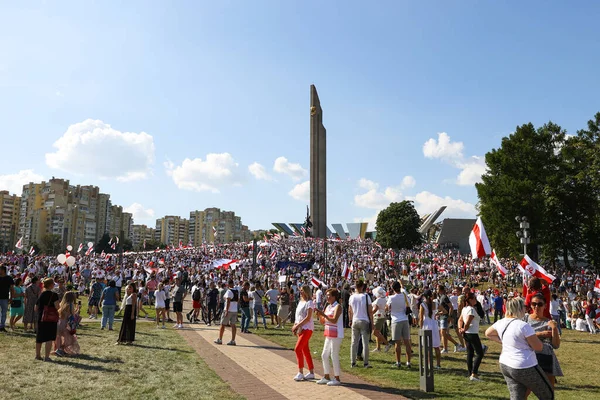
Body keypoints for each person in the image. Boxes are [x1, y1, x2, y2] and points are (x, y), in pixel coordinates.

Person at [485, 298, 554, 400]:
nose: (525, 310)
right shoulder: (523, 326)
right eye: (524, 307)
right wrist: (538, 336)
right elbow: (538, 347)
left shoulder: (501, 322)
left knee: (517, 396)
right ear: (519, 308)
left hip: (505, 363)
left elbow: (488, 333)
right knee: (547, 395)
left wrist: (504, 341)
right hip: (524, 364)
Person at [524, 293, 563, 395]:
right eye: (534, 304)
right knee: (525, 391)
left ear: (545, 306)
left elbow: (556, 345)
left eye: (540, 304)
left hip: (546, 357)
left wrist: (554, 328)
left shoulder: (549, 322)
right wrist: (539, 334)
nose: (536, 307)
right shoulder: (525, 320)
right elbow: (520, 338)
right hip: (529, 356)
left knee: (548, 392)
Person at [314, 288, 344, 386]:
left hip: (336, 334)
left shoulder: (338, 307)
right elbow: (323, 321)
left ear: (334, 297)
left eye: (329, 296)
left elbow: (334, 320)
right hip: (328, 333)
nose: (327, 297)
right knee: (324, 355)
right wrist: (320, 316)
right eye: (326, 295)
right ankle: (326, 376)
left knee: (333, 355)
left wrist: (324, 315)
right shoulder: (328, 307)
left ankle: (337, 378)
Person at [459, 292, 485, 381]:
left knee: (470, 353)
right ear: (470, 299)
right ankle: (474, 373)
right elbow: (467, 321)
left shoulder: (465, 309)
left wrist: (460, 328)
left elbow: (460, 319)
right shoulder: (471, 310)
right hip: (472, 333)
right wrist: (464, 328)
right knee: (480, 353)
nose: (475, 300)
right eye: (474, 298)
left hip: (467, 333)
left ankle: (471, 373)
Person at [386, 281, 412, 368]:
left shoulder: (391, 298)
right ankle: (408, 362)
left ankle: (398, 362)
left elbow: (387, 308)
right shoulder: (404, 295)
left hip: (396, 320)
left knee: (397, 343)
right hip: (404, 319)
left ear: (393, 289)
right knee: (407, 342)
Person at [292, 285, 315, 381]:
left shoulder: (309, 303)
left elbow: (308, 318)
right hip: (300, 328)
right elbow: (298, 315)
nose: (301, 292)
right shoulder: (300, 302)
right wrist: (295, 326)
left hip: (307, 328)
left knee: (297, 349)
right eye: (300, 291)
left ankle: (300, 372)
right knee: (305, 350)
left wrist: (297, 326)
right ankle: (311, 372)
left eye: (302, 291)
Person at [349, 280, 373, 368]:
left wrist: (350, 320)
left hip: (355, 319)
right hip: (364, 320)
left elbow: (350, 311)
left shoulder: (352, 297)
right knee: (365, 343)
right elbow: (370, 311)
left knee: (353, 342)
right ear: (362, 286)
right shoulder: (366, 296)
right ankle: (366, 362)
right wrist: (372, 323)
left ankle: (353, 362)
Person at [35, 278, 60, 361]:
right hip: (50, 318)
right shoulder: (54, 295)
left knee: (40, 337)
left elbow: (36, 308)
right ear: (50, 285)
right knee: (49, 338)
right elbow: (57, 307)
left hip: (41, 317)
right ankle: (46, 357)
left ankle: (38, 355)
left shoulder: (41, 294)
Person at [419, 289, 441, 369]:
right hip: (434, 324)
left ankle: (428, 364)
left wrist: (420, 327)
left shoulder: (423, 305)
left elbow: (421, 318)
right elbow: (444, 311)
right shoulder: (435, 303)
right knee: (436, 346)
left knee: (427, 346)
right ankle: (438, 364)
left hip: (427, 324)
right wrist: (437, 314)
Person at [438, 284, 462, 353]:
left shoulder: (445, 297)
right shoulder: (441, 297)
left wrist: (449, 316)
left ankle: (454, 345)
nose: (436, 290)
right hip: (442, 316)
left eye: (437, 288)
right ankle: (447, 348)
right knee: (443, 333)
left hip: (445, 317)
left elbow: (451, 307)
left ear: (441, 290)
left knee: (443, 333)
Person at [56, 291, 80, 356]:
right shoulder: (70, 304)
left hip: (60, 322)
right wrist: (78, 310)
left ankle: (59, 349)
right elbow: (73, 315)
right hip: (66, 324)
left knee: (59, 337)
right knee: (70, 339)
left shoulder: (62, 304)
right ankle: (61, 349)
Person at [215, 279, 238, 346]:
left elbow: (228, 301)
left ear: (229, 284)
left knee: (223, 324)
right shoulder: (236, 291)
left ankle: (220, 339)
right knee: (233, 325)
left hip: (229, 310)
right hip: (234, 310)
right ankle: (233, 340)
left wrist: (226, 310)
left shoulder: (229, 291)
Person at [371, 287, 392, 352]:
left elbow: (375, 309)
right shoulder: (385, 299)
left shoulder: (378, 300)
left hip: (378, 316)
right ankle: (378, 348)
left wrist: (370, 314)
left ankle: (387, 343)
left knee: (375, 332)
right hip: (382, 316)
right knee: (378, 332)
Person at [0, 265, 15, 332]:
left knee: (4, 313)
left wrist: (11, 298)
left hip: (5, 298)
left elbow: (12, 289)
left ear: (3, 270)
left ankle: (2, 326)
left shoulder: (9, 278)